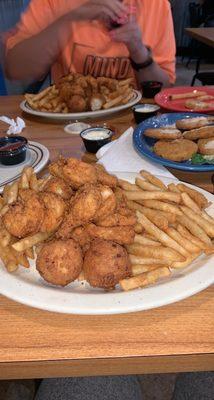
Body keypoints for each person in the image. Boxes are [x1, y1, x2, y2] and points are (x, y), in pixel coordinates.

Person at [4, 0, 176, 88]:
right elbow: (16, 69)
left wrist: (138, 51)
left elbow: (163, 90)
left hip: (132, 126)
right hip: (68, 125)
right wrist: (69, 18)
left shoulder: (157, 5)